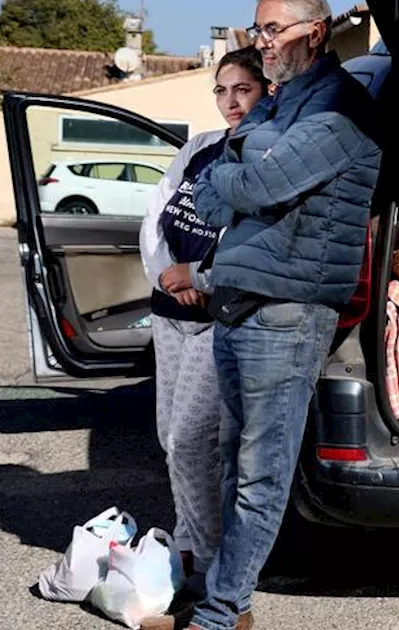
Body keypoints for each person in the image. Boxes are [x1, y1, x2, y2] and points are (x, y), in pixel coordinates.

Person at [183, 0, 381, 630]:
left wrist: (242, 172)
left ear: (314, 31)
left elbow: (262, 181)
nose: (260, 43)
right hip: (240, 306)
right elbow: (216, 181)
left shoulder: (342, 108)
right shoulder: (275, 105)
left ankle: (217, 615)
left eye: (272, 31)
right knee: (227, 463)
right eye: (258, 29)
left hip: (286, 313)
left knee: (259, 478)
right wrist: (241, 170)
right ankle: (227, 602)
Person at [137, 47, 270, 624]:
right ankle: (187, 550)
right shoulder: (198, 149)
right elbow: (157, 215)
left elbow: (255, 242)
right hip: (170, 311)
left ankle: (220, 574)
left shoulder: (267, 155)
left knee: (193, 441)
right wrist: (167, 276)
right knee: (170, 436)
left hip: (219, 319)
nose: (231, 101)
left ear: (268, 90)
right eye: (221, 90)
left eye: (243, 88)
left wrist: (202, 281)